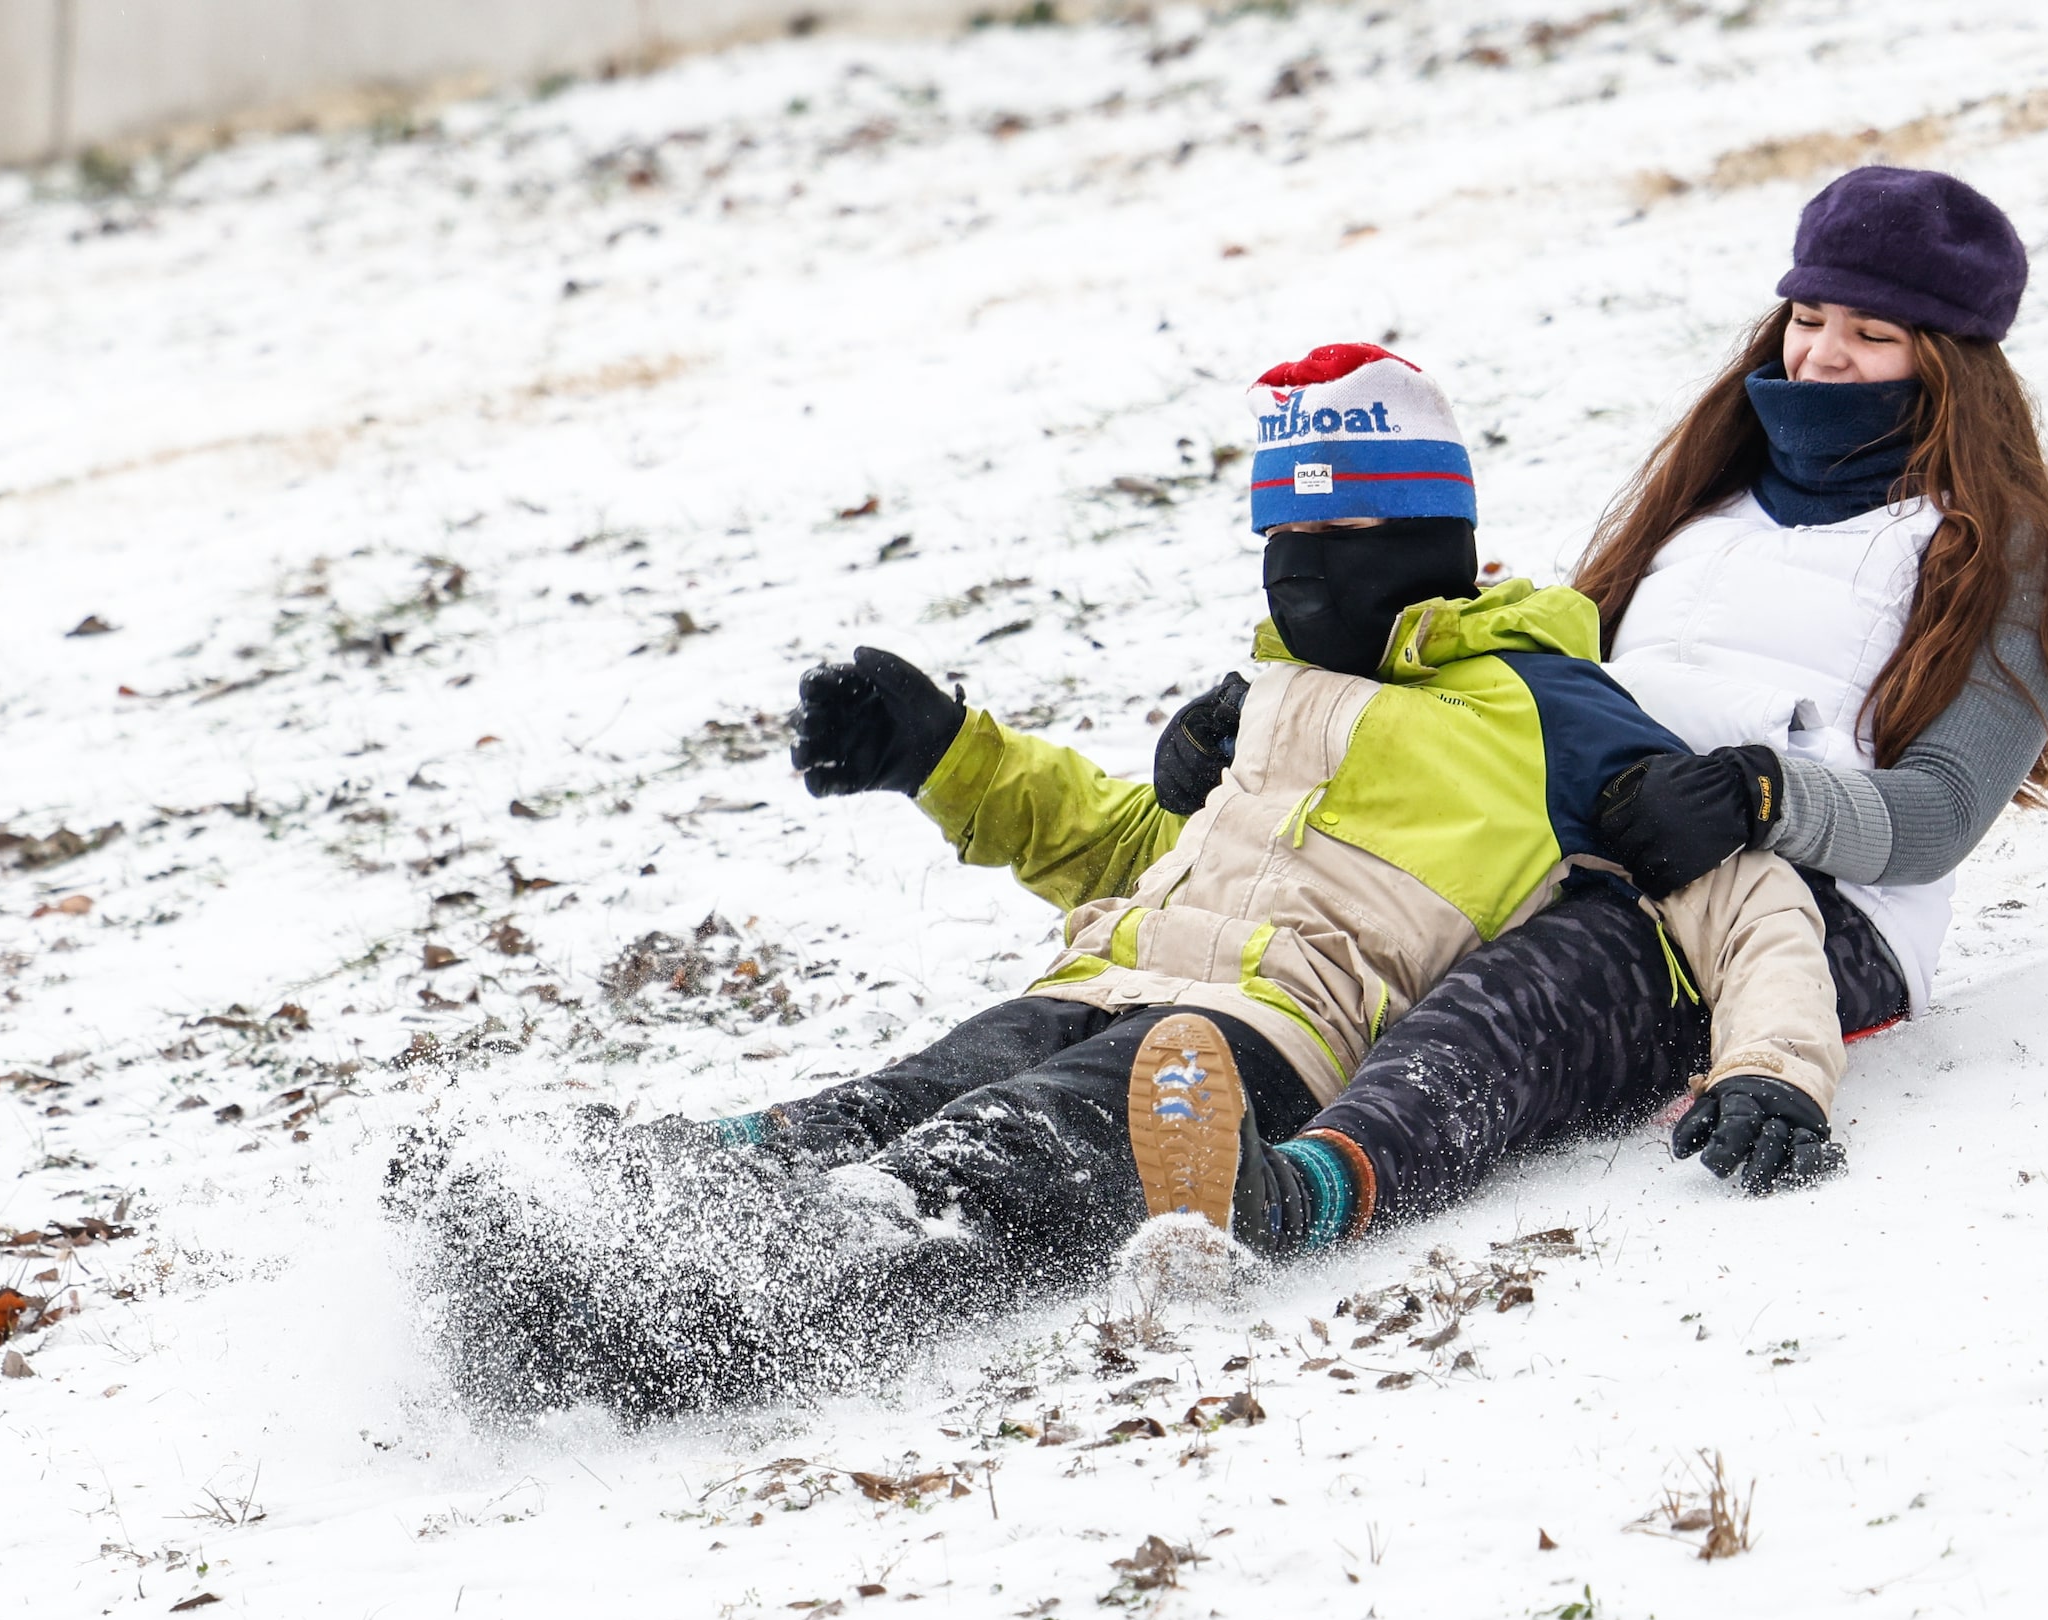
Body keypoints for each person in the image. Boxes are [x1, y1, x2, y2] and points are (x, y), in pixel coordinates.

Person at [391, 345, 1853, 1417]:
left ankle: (730, 1307)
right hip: (1101, 977)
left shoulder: (1546, 709)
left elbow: (1737, 897)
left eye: (1343, 538)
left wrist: (1776, 1067)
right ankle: (590, 1211)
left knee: (996, 1153)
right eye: (1283, 538)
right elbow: (1131, 856)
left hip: (1245, 1046)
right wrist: (947, 753)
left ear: (1434, 540)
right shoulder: (1274, 698)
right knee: (897, 1096)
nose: (1305, 571)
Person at [869, 164, 2048, 1241]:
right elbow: (1531, 676)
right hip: (1596, 844)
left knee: (1516, 1008)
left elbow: (1937, 812)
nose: (1820, 354)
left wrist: (1761, 794)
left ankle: (1300, 1195)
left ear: (1950, 362)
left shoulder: (2000, 553)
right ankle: (1150, 1122)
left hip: (1799, 913)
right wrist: (1286, 709)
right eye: (1806, 314)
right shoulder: (1700, 503)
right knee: (1376, 932)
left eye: (1869, 333)